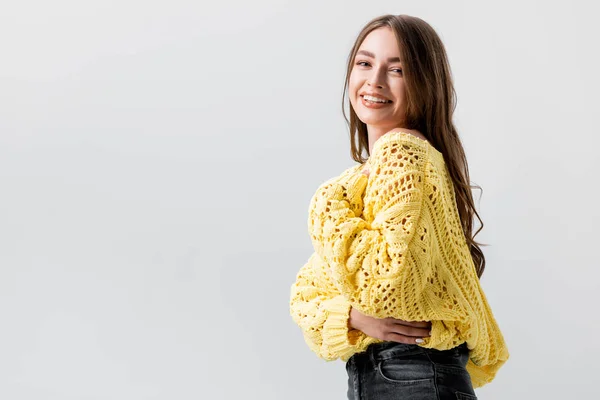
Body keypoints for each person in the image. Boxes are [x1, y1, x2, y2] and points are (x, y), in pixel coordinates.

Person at [289, 14, 509, 400]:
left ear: (424, 84)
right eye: (365, 63)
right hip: (405, 377)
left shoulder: (402, 153)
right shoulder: (380, 174)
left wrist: (326, 203)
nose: (374, 81)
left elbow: (384, 286)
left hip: (410, 376)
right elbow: (306, 296)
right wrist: (354, 317)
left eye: (397, 69)